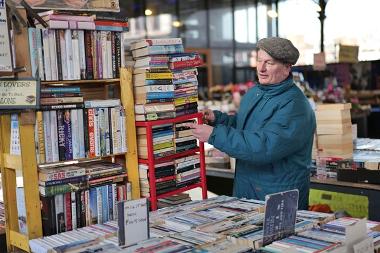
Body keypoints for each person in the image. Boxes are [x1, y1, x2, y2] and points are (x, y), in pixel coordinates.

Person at [187, 37, 316, 210]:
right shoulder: (255, 92)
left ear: (287, 67)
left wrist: (213, 134)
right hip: (246, 189)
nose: (261, 68)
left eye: (269, 63)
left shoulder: (295, 106)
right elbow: (246, 127)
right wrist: (218, 120)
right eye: (259, 60)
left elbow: (263, 146)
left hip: (277, 195)